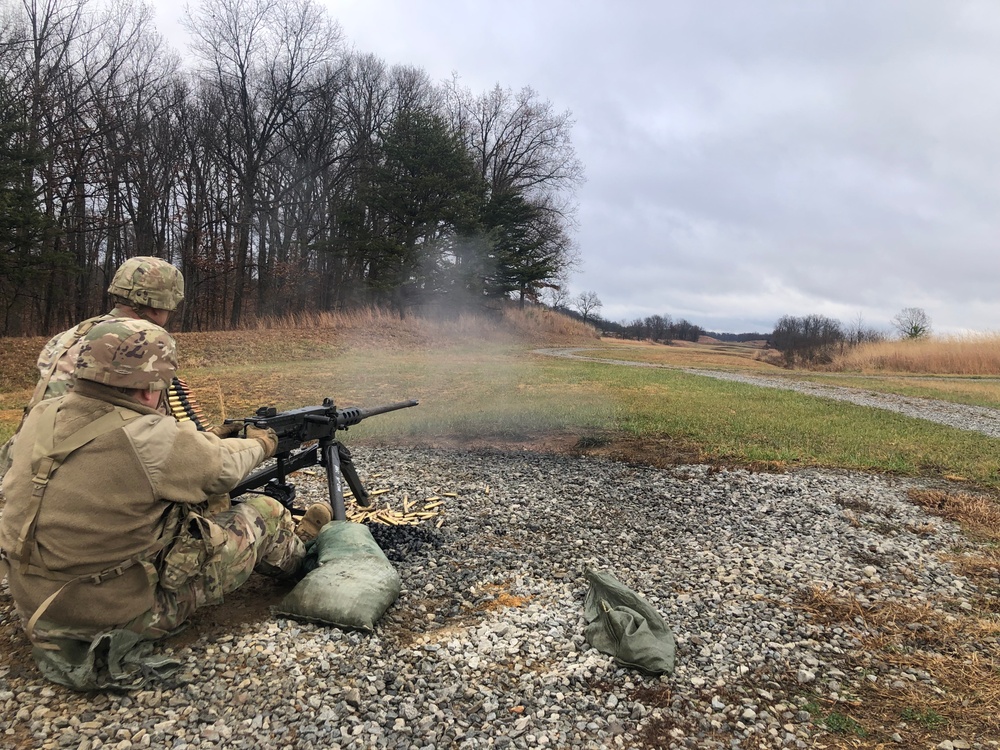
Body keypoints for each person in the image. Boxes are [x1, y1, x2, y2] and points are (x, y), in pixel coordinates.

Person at [0, 318, 332, 689]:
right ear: (148, 388)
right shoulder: (145, 434)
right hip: (111, 616)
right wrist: (264, 443)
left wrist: (203, 441)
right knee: (266, 513)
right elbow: (223, 469)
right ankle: (302, 556)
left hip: (36, 603)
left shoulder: (41, 416)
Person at [31, 255, 186, 408]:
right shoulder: (137, 342)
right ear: (158, 306)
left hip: (37, 427)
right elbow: (144, 413)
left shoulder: (70, 334)